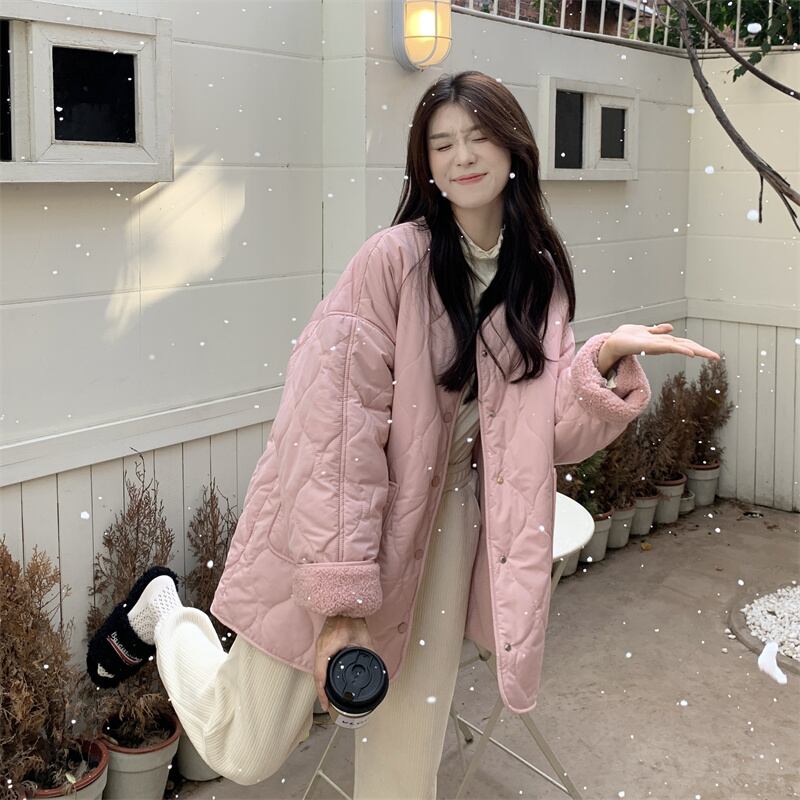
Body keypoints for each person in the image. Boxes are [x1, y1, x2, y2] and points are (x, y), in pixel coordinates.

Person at [87, 70, 720, 798]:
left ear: (514, 147)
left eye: (478, 137)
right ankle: (165, 610)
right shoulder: (391, 262)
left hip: (445, 526)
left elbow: (546, 437)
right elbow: (333, 433)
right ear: (426, 165)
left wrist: (602, 363)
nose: (462, 156)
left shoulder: (537, 278)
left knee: (405, 761)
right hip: (341, 523)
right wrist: (341, 599)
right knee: (245, 745)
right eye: (442, 144)